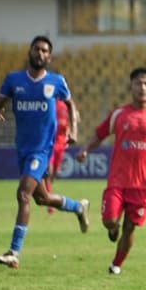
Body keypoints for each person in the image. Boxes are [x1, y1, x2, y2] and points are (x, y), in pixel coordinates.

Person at [0, 35, 90, 268]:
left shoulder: (56, 81)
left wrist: (73, 130)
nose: (40, 53)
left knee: (23, 194)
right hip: (23, 148)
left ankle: (14, 252)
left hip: (42, 149)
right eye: (37, 49)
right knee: (42, 198)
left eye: (45, 51)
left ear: (50, 57)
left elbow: (71, 104)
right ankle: (78, 207)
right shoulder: (13, 80)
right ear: (30, 52)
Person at [76, 66, 146, 274]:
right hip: (118, 181)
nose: (142, 87)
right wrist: (86, 149)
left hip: (144, 185)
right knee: (109, 221)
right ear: (131, 87)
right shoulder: (119, 115)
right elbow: (100, 134)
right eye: (138, 83)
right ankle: (113, 228)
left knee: (130, 228)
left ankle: (116, 264)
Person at [44, 80, 79, 214]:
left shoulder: (67, 104)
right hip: (49, 142)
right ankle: (49, 202)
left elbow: (75, 118)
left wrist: (71, 127)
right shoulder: (50, 103)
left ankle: (48, 191)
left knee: (54, 173)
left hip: (61, 143)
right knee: (49, 170)